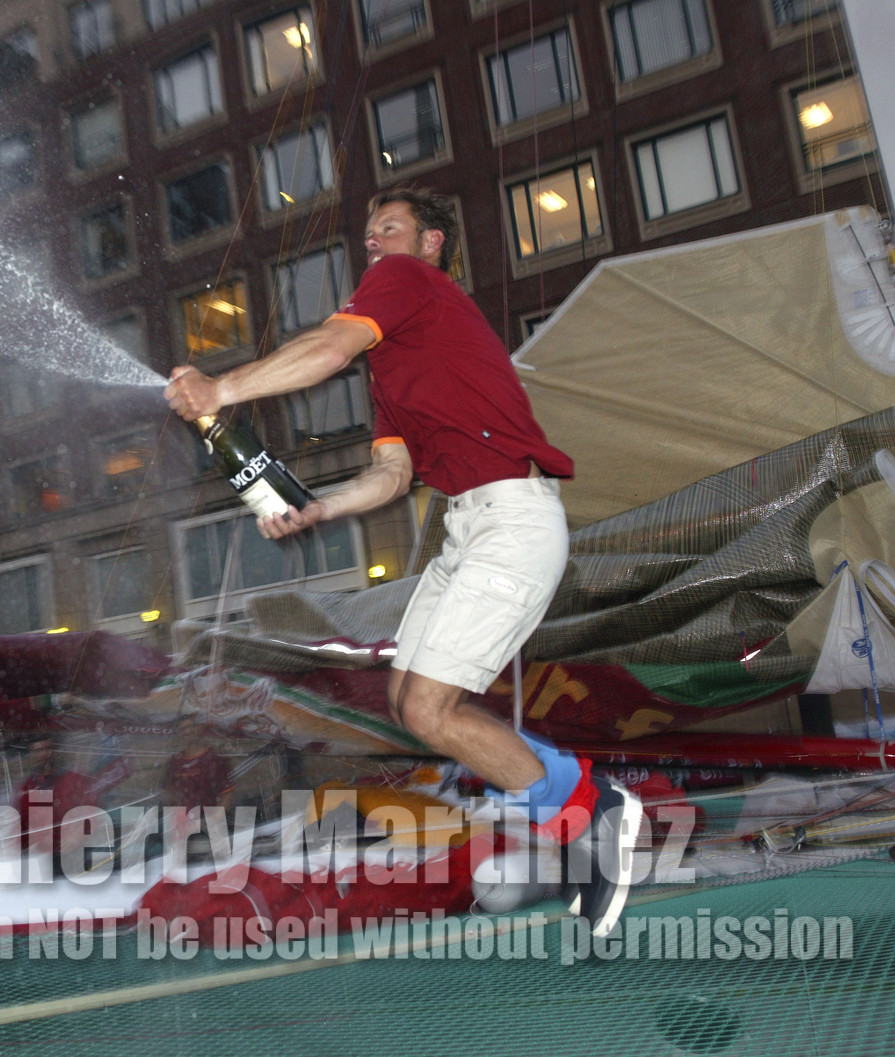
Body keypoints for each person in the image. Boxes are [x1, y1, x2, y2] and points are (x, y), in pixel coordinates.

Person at [164, 188, 642, 936]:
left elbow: (326, 348)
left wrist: (221, 389)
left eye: (388, 228)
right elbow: (391, 476)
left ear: (431, 244)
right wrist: (319, 507)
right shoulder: (398, 365)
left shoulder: (408, 281)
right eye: (367, 232)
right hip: (468, 525)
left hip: (512, 520)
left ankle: (589, 813)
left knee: (430, 709)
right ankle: (576, 795)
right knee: (405, 704)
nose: (373, 242)